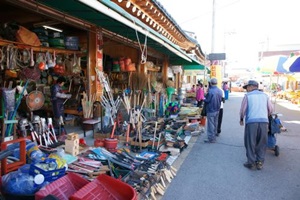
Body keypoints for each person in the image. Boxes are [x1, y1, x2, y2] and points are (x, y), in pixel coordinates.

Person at [239, 80, 273, 170]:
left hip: (251, 122)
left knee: (250, 142)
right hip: (264, 122)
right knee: (262, 143)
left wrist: (241, 118)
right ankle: (260, 162)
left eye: (247, 88)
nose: (246, 89)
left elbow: (243, 109)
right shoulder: (265, 96)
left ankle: (251, 162)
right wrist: (267, 115)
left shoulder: (248, 96)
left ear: (251, 87)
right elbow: (270, 109)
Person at [203, 78, 223, 143]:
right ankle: (214, 135)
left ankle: (211, 138)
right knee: (215, 123)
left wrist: (203, 97)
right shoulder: (220, 91)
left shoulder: (211, 91)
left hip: (211, 109)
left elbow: (207, 100)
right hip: (217, 109)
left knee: (211, 124)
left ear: (210, 83)